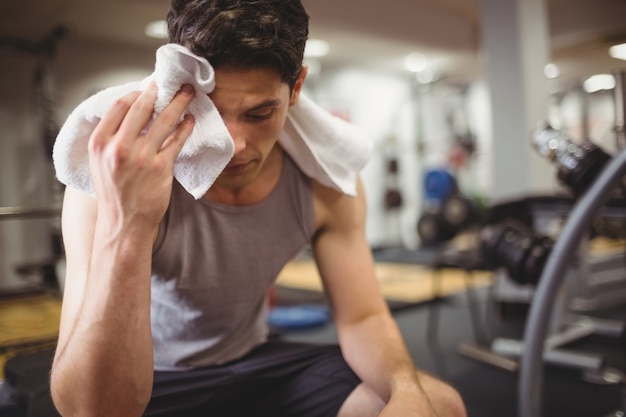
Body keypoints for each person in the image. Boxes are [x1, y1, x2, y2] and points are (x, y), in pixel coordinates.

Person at [50, 0, 467, 416]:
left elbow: (362, 317)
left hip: (256, 363)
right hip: (151, 377)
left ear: (296, 87)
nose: (235, 144)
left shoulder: (326, 182)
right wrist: (130, 224)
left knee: (439, 405)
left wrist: (405, 389)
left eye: (259, 112)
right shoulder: (108, 184)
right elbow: (90, 411)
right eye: (210, 113)